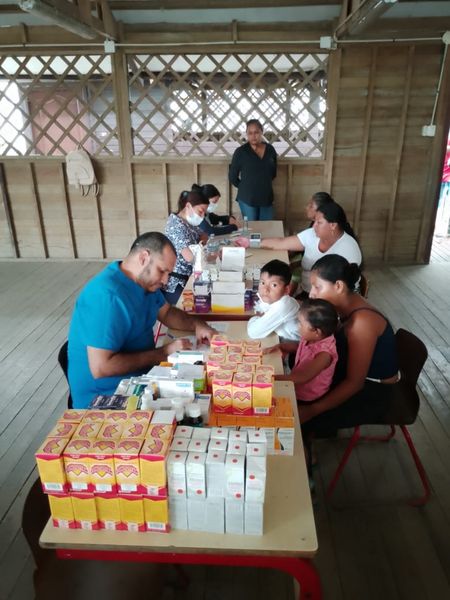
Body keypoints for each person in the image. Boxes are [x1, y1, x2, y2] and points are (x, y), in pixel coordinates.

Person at [67, 232, 216, 409]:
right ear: (143, 258)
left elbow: (167, 313)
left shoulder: (143, 283)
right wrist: (164, 352)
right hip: (106, 398)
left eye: (168, 273)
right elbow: (102, 367)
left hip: (143, 379)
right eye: (162, 271)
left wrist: (198, 325)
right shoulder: (107, 296)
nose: (165, 280)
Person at [301, 254, 400, 437]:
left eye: (317, 287)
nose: (311, 294)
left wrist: (312, 410)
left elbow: (355, 383)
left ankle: (315, 438)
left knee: (299, 413)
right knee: (299, 369)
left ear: (338, 286)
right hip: (352, 375)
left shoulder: (362, 323)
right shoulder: (343, 306)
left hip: (373, 393)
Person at [236, 201, 362, 296]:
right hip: (307, 292)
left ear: (333, 225)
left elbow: (340, 292)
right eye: (314, 221)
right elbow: (281, 242)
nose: (314, 226)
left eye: (319, 223)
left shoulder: (348, 249)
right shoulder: (312, 235)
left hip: (327, 303)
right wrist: (250, 242)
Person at [263, 298, 339, 401]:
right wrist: (283, 346)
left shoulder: (324, 355)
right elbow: (301, 347)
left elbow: (303, 377)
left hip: (307, 396)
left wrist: (269, 378)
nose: (297, 326)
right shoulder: (312, 336)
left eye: (300, 323)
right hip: (295, 384)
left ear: (316, 331)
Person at [164, 190, 210, 305]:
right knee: (202, 303)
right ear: (188, 206)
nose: (202, 217)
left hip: (190, 276)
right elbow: (190, 257)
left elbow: (204, 235)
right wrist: (201, 248)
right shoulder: (175, 225)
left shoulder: (187, 222)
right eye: (200, 212)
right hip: (177, 283)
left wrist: (199, 247)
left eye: (204, 213)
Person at [229, 119, 277, 221]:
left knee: (266, 227)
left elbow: (273, 173)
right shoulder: (241, 152)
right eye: (250, 133)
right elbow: (232, 177)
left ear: (261, 132)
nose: (253, 136)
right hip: (247, 198)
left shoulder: (270, 150)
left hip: (266, 197)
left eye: (256, 132)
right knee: (251, 227)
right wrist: (245, 187)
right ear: (247, 134)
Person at [247, 259, 300, 341]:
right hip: (280, 336)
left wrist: (255, 318)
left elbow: (253, 332)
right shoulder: (273, 297)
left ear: (286, 289)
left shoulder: (282, 306)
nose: (266, 289)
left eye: (274, 285)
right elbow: (261, 306)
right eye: (263, 283)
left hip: (293, 343)